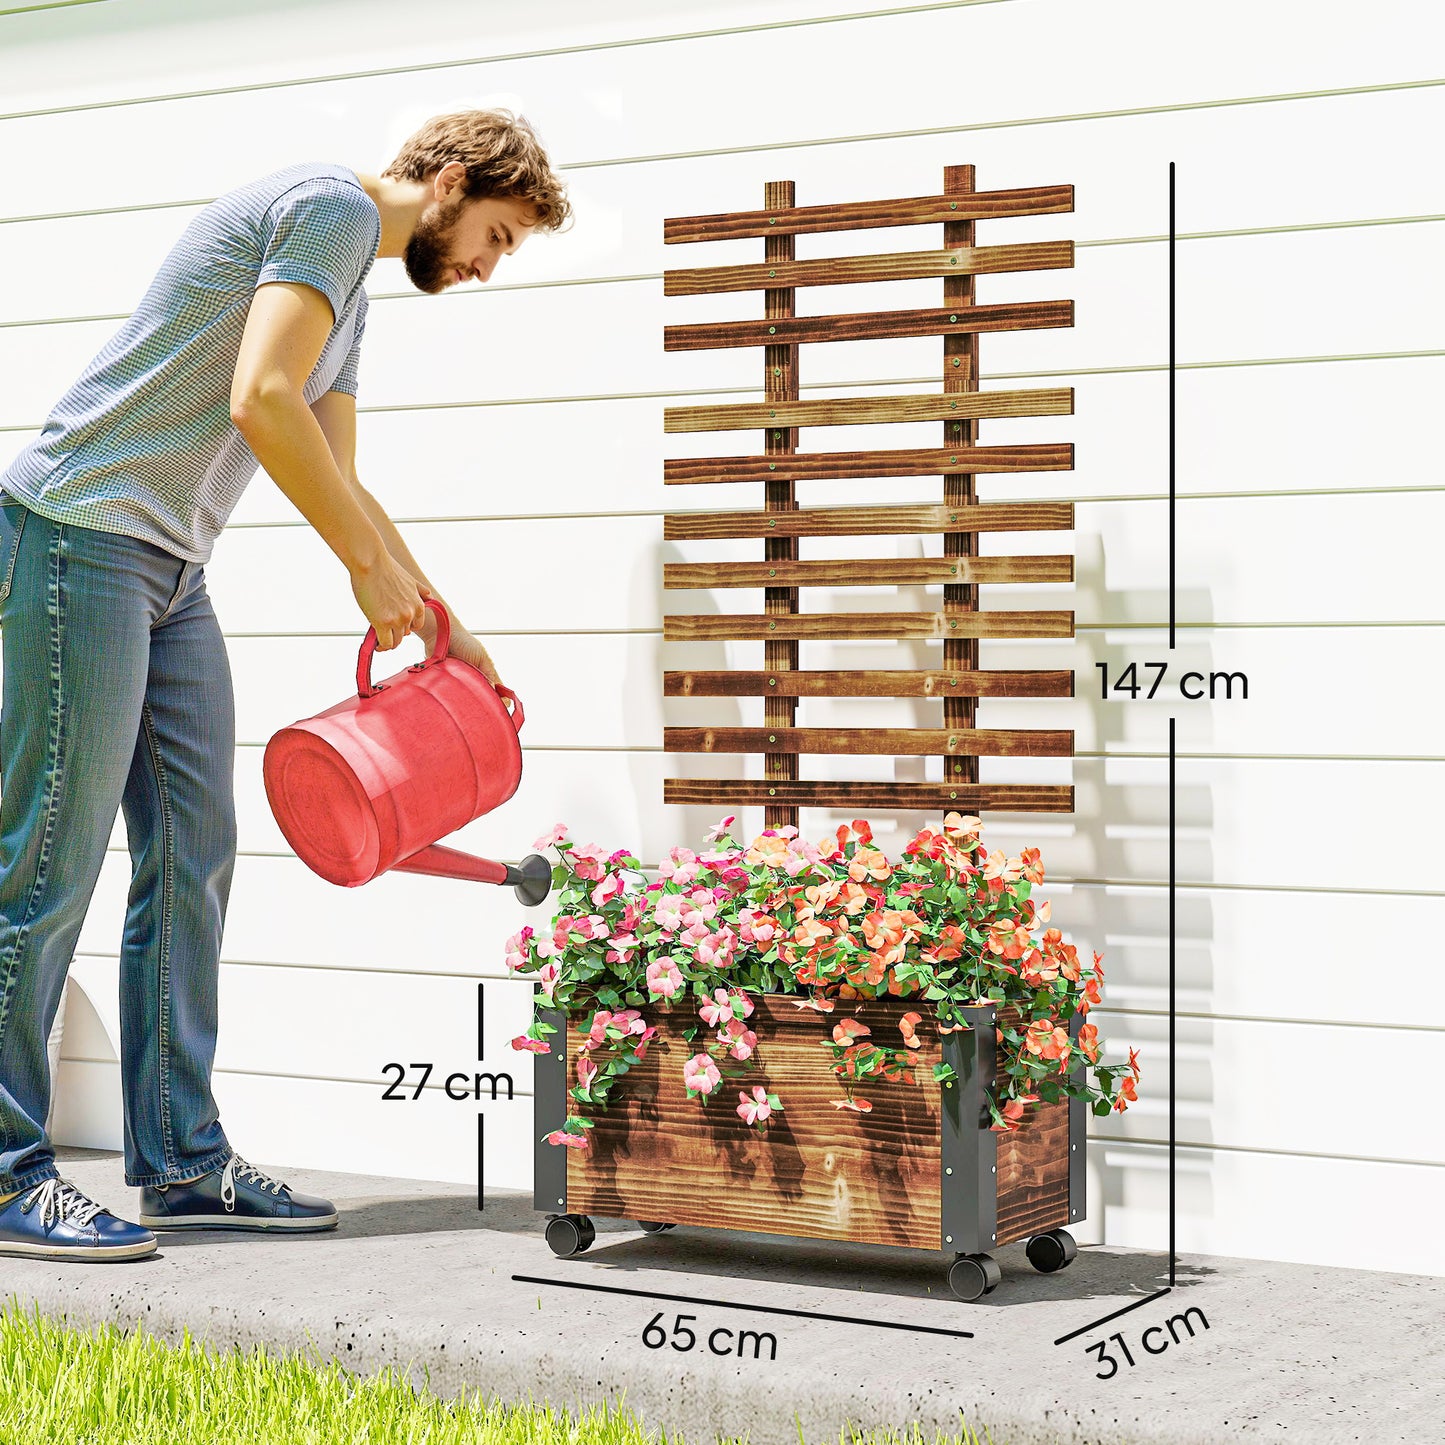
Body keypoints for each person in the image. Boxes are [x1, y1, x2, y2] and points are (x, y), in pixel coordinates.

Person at [0, 109, 571, 1260]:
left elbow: (339, 478)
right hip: (79, 536)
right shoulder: (328, 209)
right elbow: (259, 397)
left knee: (194, 853)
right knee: (49, 860)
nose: (485, 265)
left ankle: (182, 1160)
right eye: (496, 235)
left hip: (170, 568)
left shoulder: (350, 290)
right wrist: (364, 569)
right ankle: (8, 1170)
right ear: (450, 180)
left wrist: (443, 622)